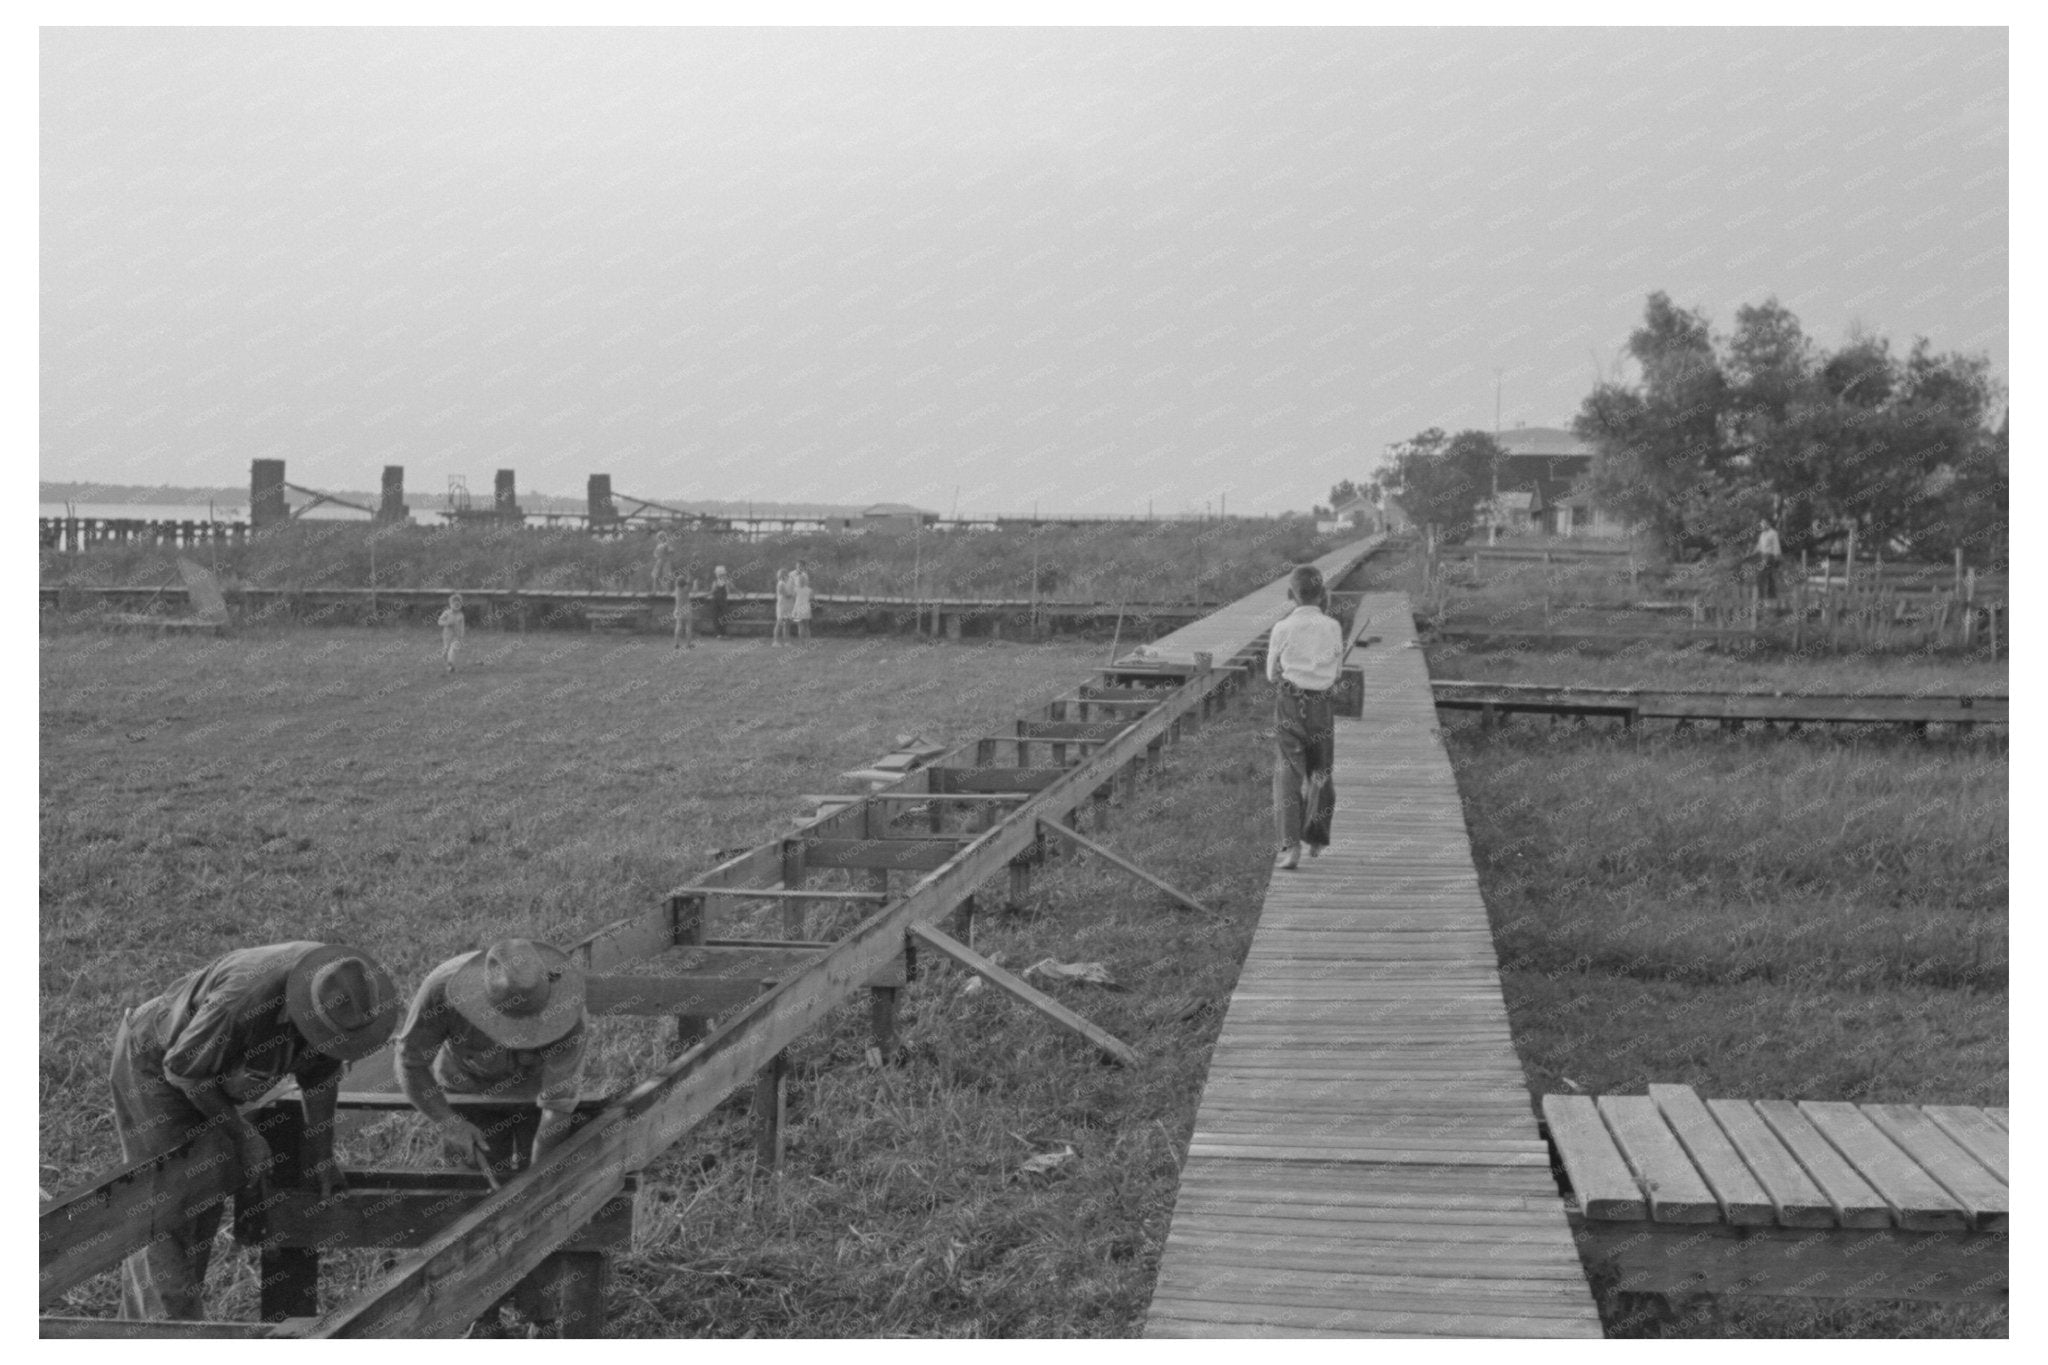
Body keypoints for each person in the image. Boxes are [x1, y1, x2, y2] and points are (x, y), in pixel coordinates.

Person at [110, 942, 399, 1319]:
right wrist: (244, 1135)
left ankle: (141, 1333)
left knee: (201, 1201)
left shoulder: (342, 994)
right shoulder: (243, 1001)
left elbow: (321, 1077)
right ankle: (170, 1335)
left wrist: (322, 1156)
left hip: (211, 1077)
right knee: (167, 1207)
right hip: (157, 1070)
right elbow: (182, 1070)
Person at [395, 938, 588, 1186]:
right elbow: (411, 1062)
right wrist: (450, 1123)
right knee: (472, 1191)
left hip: (536, 1095)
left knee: (548, 1176)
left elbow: (556, 1106)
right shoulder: (441, 991)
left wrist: (537, 1188)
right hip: (469, 1090)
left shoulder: (569, 1015)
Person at [1265, 565, 1344, 870]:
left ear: (1290, 595)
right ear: (1323, 595)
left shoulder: (1282, 628)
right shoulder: (1333, 626)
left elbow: (1272, 674)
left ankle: (1289, 847)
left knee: (1287, 773)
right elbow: (1336, 672)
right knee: (1321, 773)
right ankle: (1317, 837)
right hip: (1321, 706)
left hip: (1289, 703)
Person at [1755, 518, 1782, 602]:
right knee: (1769, 576)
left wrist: (1777, 557)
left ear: (1767, 524)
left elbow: (1776, 545)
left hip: (1770, 557)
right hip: (1763, 556)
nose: (1762, 525)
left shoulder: (1773, 533)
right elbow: (1759, 546)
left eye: (1763, 523)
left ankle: (1762, 596)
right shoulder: (1762, 534)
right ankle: (1772, 595)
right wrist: (1752, 553)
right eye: (1761, 524)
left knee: (1760, 575)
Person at [438, 593, 465, 673]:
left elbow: (462, 626)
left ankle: (451, 665)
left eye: (459, 604)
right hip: (447, 636)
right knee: (446, 650)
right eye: (454, 604)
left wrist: (461, 636)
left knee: (453, 650)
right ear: (450, 604)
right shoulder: (447, 613)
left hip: (456, 636)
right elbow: (439, 622)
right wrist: (446, 623)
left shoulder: (461, 615)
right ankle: (448, 664)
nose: (456, 606)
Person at [673, 564, 697, 651]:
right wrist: (690, 573)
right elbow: (690, 582)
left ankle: (676, 643)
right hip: (686, 610)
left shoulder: (677, 589)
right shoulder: (686, 590)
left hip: (678, 609)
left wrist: (688, 573)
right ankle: (688, 644)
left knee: (678, 626)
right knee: (688, 627)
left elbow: (684, 582)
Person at [791, 560, 814, 643]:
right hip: (806, 607)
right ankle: (808, 641)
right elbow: (811, 597)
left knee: (800, 626)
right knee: (807, 626)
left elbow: (793, 598)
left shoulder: (796, 589)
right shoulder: (809, 590)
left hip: (798, 607)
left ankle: (802, 642)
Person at [772, 566, 795, 646]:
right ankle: (775, 641)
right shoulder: (781, 584)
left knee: (787, 624)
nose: (788, 576)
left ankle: (787, 642)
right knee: (780, 623)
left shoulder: (787, 583)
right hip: (782, 606)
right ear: (782, 575)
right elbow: (787, 595)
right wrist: (794, 594)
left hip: (788, 606)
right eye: (786, 575)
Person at [650, 531, 676, 596]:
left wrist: (667, 555)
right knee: (655, 576)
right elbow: (655, 554)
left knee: (666, 577)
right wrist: (658, 556)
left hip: (666, 562)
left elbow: (672, 551)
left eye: (662, 537)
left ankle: (667, 592)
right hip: (659, 562)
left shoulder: (667, 544)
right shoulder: (659, 545)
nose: (661, 538)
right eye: (660, 537)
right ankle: (654, 591)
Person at [710, 566, 732, 638]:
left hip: (715, 601)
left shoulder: (715, 582)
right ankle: (723, 633)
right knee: (724, 616)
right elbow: (729, 591)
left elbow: (712, 591)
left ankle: (718, 633)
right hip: (722, 601)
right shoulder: (726, 581)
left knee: (716, 617)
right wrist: (740, 594)